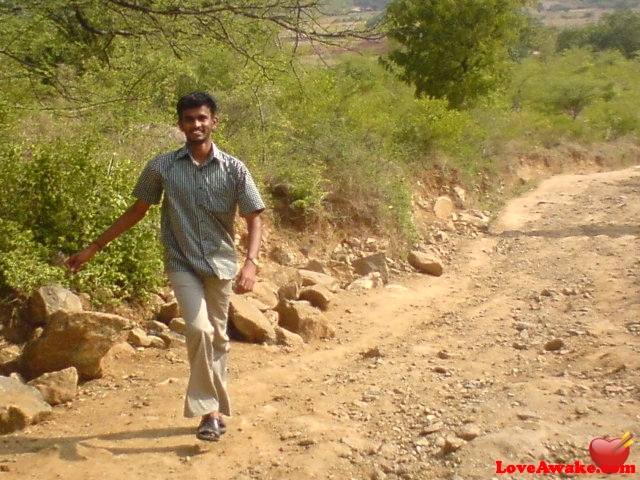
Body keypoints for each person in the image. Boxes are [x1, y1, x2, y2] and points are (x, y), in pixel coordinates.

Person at [66, 91, 265, 442]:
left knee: (218, 337)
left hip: (220, 263)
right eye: (189, 119)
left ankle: (214, 414)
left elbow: (254, 217)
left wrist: (250, 263)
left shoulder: (235, 169)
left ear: (214, 122)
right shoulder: (162, 167)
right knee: (199, 330)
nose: (196, 124)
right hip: (181, 261)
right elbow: (137, 210)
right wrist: (94, 247)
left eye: (202, 118)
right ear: (181, 125)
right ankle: (210, 413)